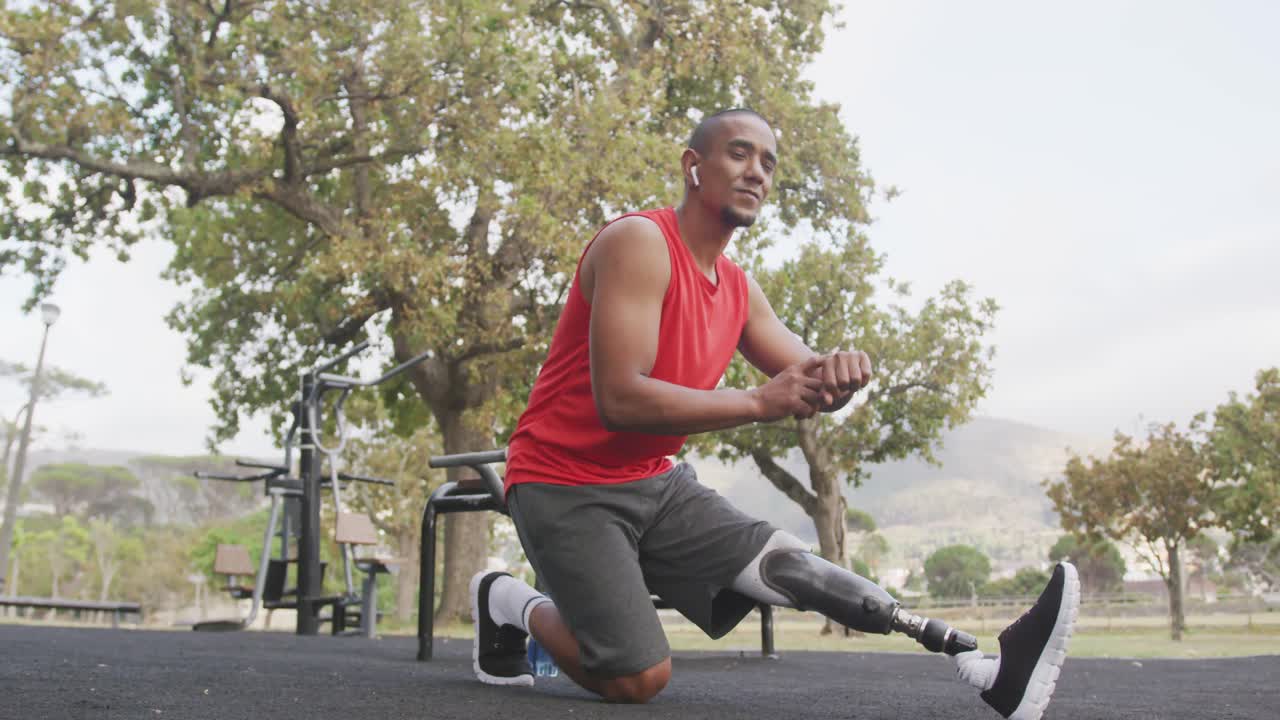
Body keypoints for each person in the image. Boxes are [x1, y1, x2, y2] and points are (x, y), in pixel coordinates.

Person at [469, 108, 1078, 719]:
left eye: (767, 163)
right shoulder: (638, 243)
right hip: (562, 481)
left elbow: (808, 379)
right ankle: (506, 600)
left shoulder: (738, 288)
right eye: (738, 154)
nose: (755, 172)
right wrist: (761, 402)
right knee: (638, 677)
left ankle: (985, 668)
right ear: (693, 168)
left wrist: (839, 376)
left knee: (789, 567)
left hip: (652, 480)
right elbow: (621, 399)